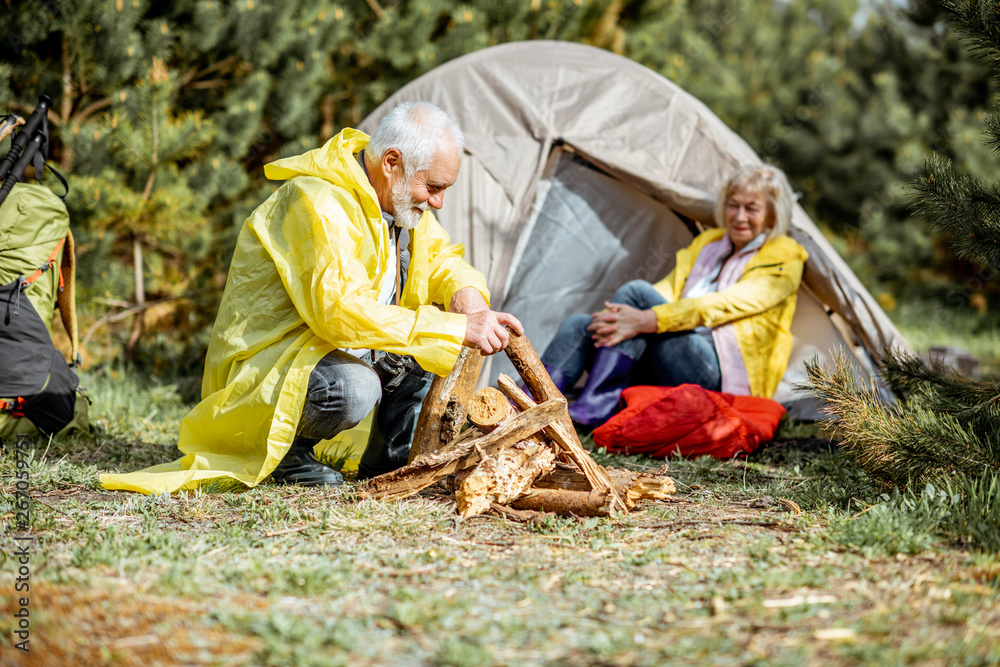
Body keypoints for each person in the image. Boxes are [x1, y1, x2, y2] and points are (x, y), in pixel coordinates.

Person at [101, 102, 521, 494]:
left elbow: (442, 257)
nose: (438, 202)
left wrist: (467, 297)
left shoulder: (396, 201)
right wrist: (453, 327)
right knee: (356, 385)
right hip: (273, 365)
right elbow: (338, 313)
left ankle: (388, 466)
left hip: (327, 353)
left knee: (434, 344)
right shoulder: (318, 200)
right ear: (391, 162)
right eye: (433, 187)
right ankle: (285, 455)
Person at [539, 164, 808, 428]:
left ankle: (597, 406)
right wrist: (618, 317)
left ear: (773, 215)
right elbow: (666, 290)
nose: (739, 216)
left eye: (751, 209)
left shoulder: (786, 257)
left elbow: (722, 305)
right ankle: (531, 404)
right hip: (670, 358)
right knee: (580, 324)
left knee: (636, 292)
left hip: (719, 374)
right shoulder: (710, 243)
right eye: (733, 205)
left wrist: (648, 318)